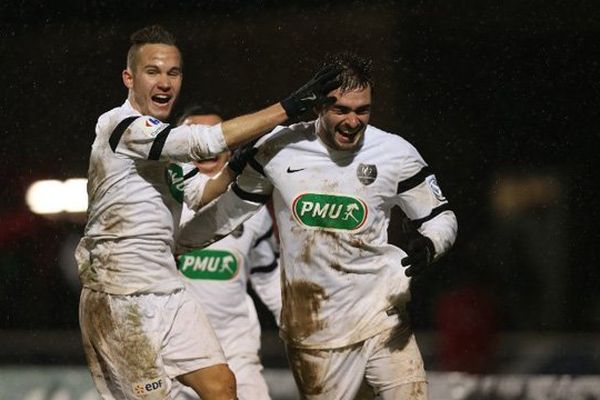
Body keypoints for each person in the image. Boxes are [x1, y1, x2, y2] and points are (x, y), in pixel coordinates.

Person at [75, 24, 340, 400]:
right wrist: (284, 110)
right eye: (153, 72)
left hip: (168, 289)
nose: (165, 82)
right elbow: (202, 141)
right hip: (120, 295)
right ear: (129, 78)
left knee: (221, 384)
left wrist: (238, 167)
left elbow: (199, 191)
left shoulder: (164, 151)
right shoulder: (120, 126)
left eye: (174, 72)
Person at [177, 52, 458, 399]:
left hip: (382, 320)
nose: (353, 121)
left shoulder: (396, 153)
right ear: (318, 108)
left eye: (362, 110)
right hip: (312, 333)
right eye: (341, 110)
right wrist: (172, 244)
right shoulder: (279, 149)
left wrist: (431, 244)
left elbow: (440, 217)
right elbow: (226, 215)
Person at [173, 109, 282, 400]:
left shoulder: (250, 209)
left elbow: (267, 274)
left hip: (235, 353)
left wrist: (293, 324)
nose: (205, 147)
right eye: (195, 139)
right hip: (170, 356)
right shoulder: (161, 208)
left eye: (213, 138)